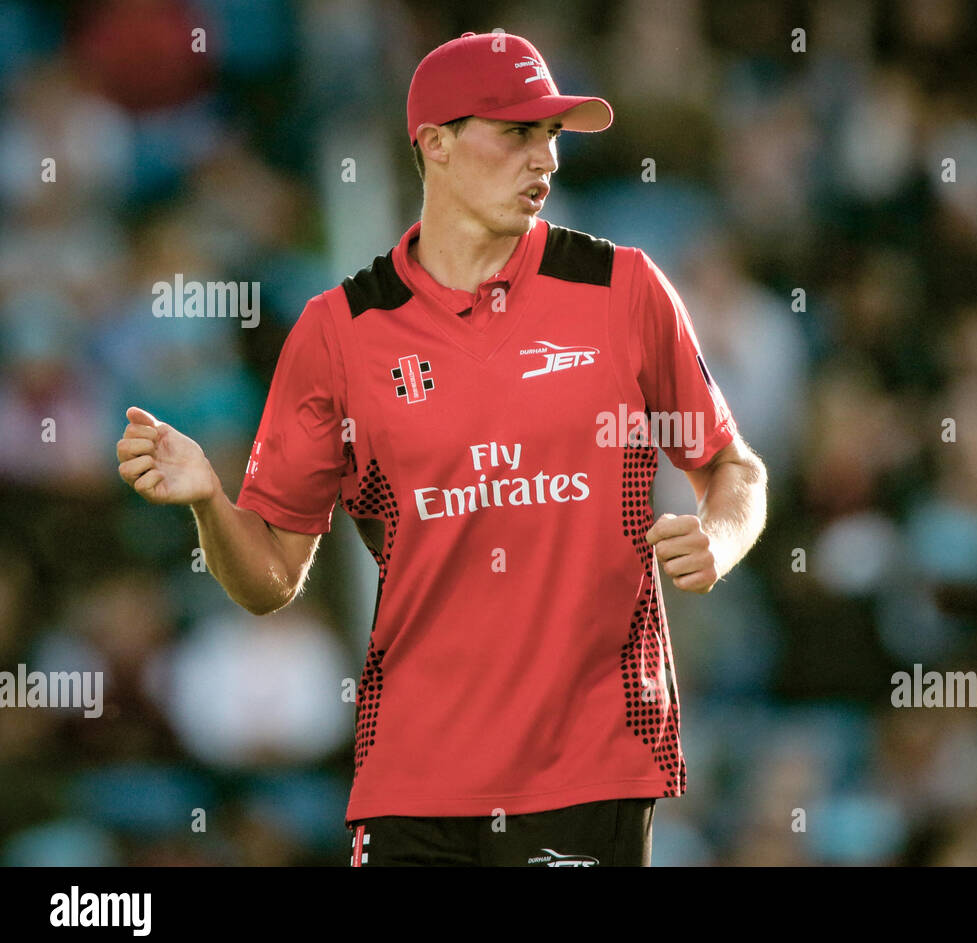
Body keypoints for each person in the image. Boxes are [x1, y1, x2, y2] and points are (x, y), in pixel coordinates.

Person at [115, 31, 767, 867]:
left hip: (588, 763)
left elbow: (730, 464)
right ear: (436, 143)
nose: (546, 160)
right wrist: (210, 500)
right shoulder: (338, 331)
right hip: (412, 776)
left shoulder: (623, 288)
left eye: (552, 137)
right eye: (517, 133)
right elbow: (271, 578)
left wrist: (719, 536)